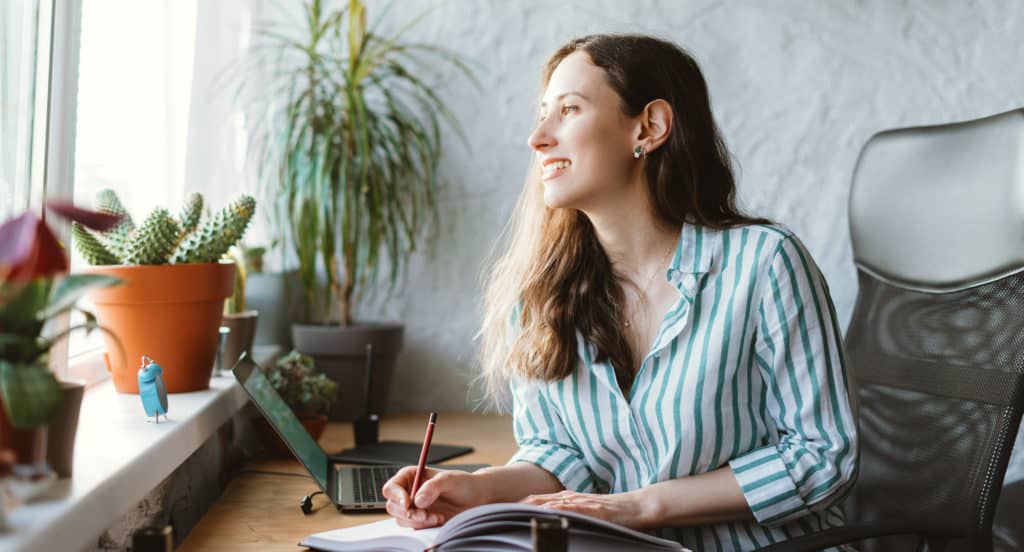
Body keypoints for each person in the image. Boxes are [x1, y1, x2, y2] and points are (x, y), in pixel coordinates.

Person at [382, 33, 858, 551]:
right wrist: (478, 490)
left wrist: (642, 505)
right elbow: (560, 454)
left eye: (569, 110)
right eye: (543, 113)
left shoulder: (764, 264)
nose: (538, 137)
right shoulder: (542, 294)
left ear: (649, 127)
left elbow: (822, 455)